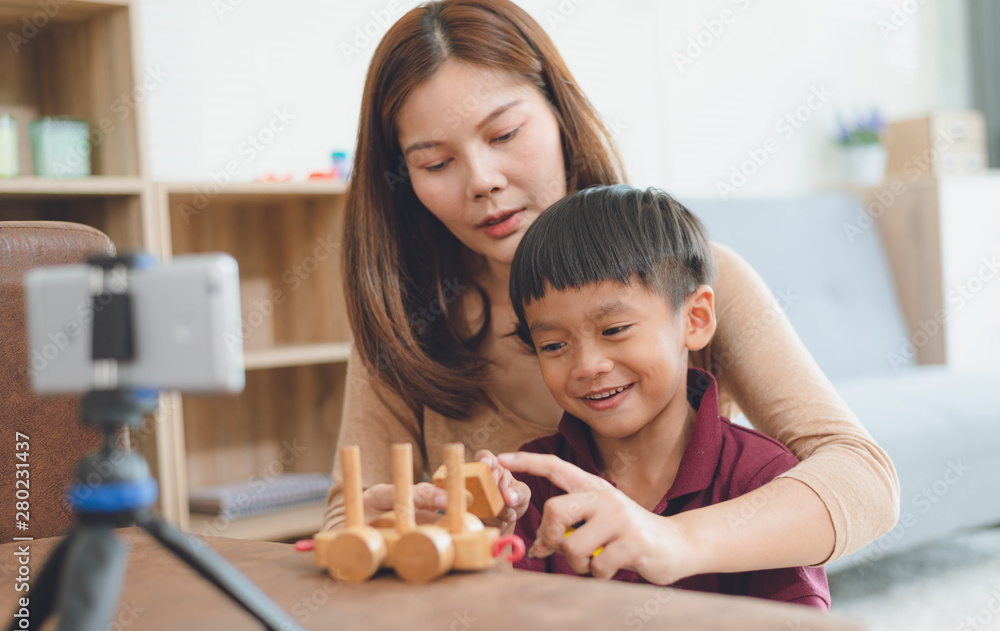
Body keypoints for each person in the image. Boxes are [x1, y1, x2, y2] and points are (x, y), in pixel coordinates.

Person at [324, 0, 898, 581]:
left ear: (561, 115)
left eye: (505, 133)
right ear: (403, 181)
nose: (482, 181)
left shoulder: (695, 279)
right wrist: (390, 532)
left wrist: (676, 540)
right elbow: (348, 520)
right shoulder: (403, 323)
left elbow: (864, 481)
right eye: (436, 162)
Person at [495, 184, 829, 610]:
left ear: (696, 318)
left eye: (614, 330)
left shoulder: (763, 481)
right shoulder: (537, 486)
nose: (587, 365)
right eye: (555, 346)